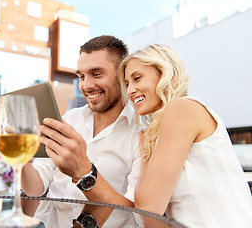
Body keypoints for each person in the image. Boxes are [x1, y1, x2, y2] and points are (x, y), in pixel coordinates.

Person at [118, 44, 252, 227]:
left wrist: (145, 157)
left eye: (137, 78)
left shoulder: (182, 108)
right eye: (127, 84)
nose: (130, 90)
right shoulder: (161, 129)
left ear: (164, 74)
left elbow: (148, 209)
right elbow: (146, 214)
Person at [21, 35, 142, 227]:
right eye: (81, 76)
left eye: (96, 74)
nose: (86, 86)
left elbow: (138, 217)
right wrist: (23, 163)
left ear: (122, 75)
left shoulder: (141, 134)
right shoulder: (69, 119)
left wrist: (84, 171)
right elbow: (36, 187)